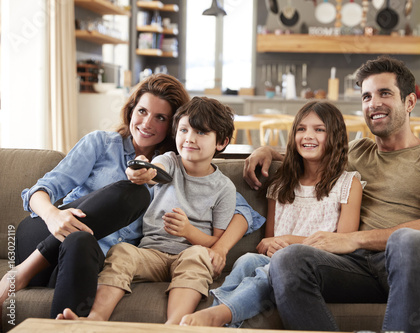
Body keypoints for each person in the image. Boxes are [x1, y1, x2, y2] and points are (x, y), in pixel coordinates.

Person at [0, 75, 258, 322]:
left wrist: (219, 249)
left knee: (82, 240)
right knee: (131, 195)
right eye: (142, 111)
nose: (147, 123)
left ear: (171, 125)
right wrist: (53, 215)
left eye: (160, 117)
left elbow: (246, 211)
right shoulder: (102, 144)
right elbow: (38, 191)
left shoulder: (179, 168)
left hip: (78, 259)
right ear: (131, 110)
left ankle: (73, 326)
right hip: (43, 236)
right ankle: (23, 270)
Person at [243, 56, 420, 333]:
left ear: (409, 102)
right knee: (288, 260)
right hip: (361, 268)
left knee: (407, 240)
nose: (373, 103)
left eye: (385, 93)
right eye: (366, 96)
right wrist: (267, 152)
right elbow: (312, 152)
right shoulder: (357, 152)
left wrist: (351, 239)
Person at [180, 100, 363, 327]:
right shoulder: (281, 183)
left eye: (319, 129)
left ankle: (219, 314)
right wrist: (270, 244)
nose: (308, 135)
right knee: (247, 260)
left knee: (269, 272)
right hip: (274, 261)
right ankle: (219, 312)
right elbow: (266, 242)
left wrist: (287, 242)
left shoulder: (348, 184)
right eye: (301, 129)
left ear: (335, 136)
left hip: (318, 269)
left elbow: (343, 244)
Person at [57, 96, 238, 324]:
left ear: (221, 142)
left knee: (199, 256)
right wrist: (141, 168)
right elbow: (153, 170)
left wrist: (188, 231)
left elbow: (216, 243)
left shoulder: (225, 188)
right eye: (183, 130)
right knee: (122, 251)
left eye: (201, 133)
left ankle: (175, 325)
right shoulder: (169, 161)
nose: (189, 139)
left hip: (189, 252)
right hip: (150, 253)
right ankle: (95, 318)